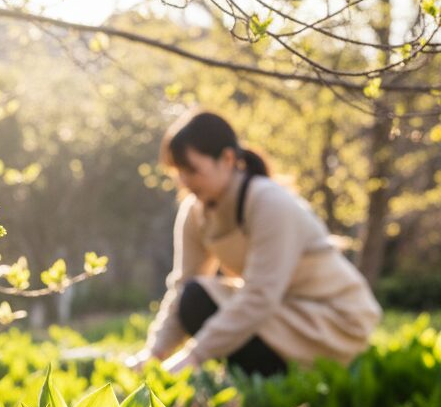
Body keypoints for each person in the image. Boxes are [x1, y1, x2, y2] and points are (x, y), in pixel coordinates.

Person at [127, 110, 381, 377]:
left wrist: (194, 356)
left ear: (226, 159)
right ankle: (259, 377)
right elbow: (183, 286)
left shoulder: (268, 201)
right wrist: (154, 354)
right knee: (193, 298)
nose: (184, 180)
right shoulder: (195, 211)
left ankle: (275, 380)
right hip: (281, 315)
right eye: (178, 171)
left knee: (204, 300)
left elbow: (260, 296)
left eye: (191, 170)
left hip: (332, 320)